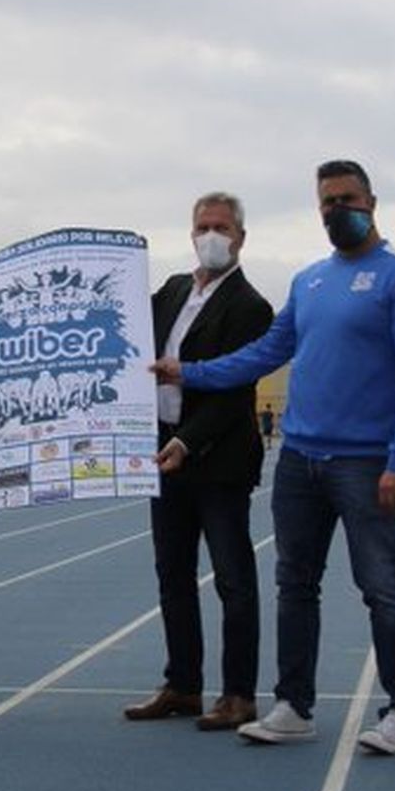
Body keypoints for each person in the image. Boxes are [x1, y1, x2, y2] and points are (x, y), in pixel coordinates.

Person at [152, 159, 395, 755]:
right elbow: (264, 353)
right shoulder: (309, 280)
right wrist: (189, 370)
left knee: (381, 587)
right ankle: (293, 704)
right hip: (300, 460)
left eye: (347, 199)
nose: (338, 210)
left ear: (372, 201)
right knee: (295, 586)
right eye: (327, 203)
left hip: (366, 464)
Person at [124, 192, 274, 731]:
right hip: (159, 454)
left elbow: (234, 391)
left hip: (216, 460)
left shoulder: (251, 308)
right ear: (190, 233)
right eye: (203, 226)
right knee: (173, 576)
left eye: (222, 227)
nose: (212, 234)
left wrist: (187, 441)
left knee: (233, 579)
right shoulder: (169, 292)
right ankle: (183, 684)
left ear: (240, 237)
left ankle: (239, 694)